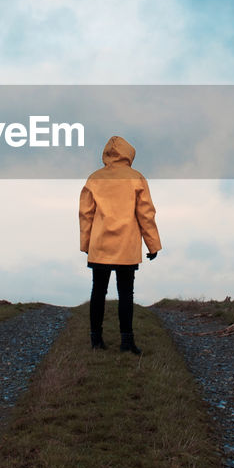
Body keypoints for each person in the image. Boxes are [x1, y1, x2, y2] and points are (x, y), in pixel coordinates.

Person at [78, 135, 162, 354]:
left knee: (98, 291)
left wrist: (86, 244)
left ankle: (96, 340)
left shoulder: (94, 178)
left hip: (100, 245)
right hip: (126, 246)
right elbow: (146, 214)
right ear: (128, 154)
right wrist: (152, 244)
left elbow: (85, 215)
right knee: (126, 294)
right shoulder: (136, 178)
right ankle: (127, 342)